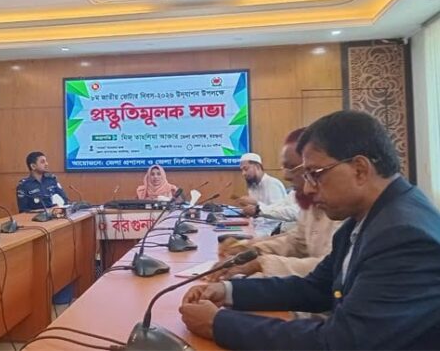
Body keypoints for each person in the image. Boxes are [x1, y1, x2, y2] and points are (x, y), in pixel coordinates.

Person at [179, 110, 440, 349]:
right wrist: (228, 291)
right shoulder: (365, 217)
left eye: (316, 174)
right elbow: (315, 288)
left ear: (360, 169)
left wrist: (218, 324)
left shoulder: (403, 235)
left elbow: (341, 343)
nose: (307, 188)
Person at [206, 128, 341, 280]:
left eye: (310, 171)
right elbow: (297, 242)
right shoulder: (310, 201)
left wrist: (259, 263)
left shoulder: (343, 211)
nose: (285, 175)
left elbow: (330, 268)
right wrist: (249, 249)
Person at [237, 152, 288, 236]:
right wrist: (247, 211)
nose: (243, 173)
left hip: (271, 231)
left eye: (246, 169)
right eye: (242, 170)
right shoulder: (252, 185)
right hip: (256, 227)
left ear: (257, 167)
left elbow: (279, 214)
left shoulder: (272, 184)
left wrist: (256, 205)